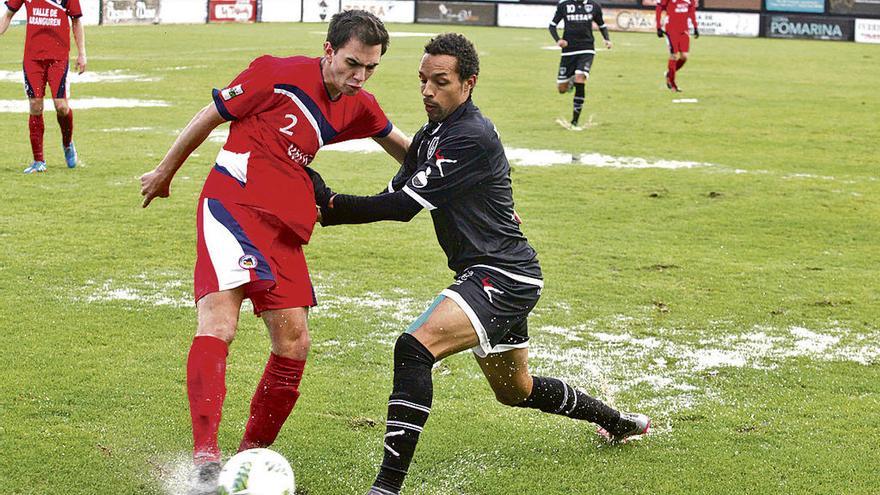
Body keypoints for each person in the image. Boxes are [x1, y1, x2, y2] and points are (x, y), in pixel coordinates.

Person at [306, 33, 650, 495]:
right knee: (516, 391)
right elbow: (395, 191)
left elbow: (403, 206)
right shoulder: (433, 134)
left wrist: (328, 203)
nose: (427, 91)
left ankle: (385, 488)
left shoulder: (470, 135)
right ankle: (618, 422)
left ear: (468, 83)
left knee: (413, 348)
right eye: (423, 80)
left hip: (502, 275)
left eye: (440, 81)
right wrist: (325, 200)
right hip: (500, 273)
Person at [139, 10, 410, 494]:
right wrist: (165, 172)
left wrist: (460, 174)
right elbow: (209, 115)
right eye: (351, 63)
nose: (359, 76)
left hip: (286, 227)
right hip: (232, 207)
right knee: (219, 324)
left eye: (370, 68)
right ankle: (205, 460)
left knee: (294, 342)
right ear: (328, 50)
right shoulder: (276, 74)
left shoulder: (357, 103)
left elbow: (400, 146)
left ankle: (246, 462)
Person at [0, 0, 87, 173]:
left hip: (58, 58)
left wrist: (82, 53)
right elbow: (8, 14)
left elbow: (76, 21)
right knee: (35, 105)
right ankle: (38, 161)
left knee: (61, 106)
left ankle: (67, 142)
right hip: (32, 59)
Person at [548, 0, 612, 131]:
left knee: (580, 77)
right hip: (568, 51)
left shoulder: (594, 6)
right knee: (562, 89)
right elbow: (552, 25)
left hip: (586, 49)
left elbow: (602, 24)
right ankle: (571, 83)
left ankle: (575, 121)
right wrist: (558, 40)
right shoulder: (564, 5)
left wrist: (607, 39)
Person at [656, 0, 698, 92]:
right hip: (671, 29)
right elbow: (659, 7)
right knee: (674, 55)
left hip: (684, 30)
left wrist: (695, 27)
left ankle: (669, 74)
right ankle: (672, 84)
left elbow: (692, 11)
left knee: (684, 56)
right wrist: (658, 27)